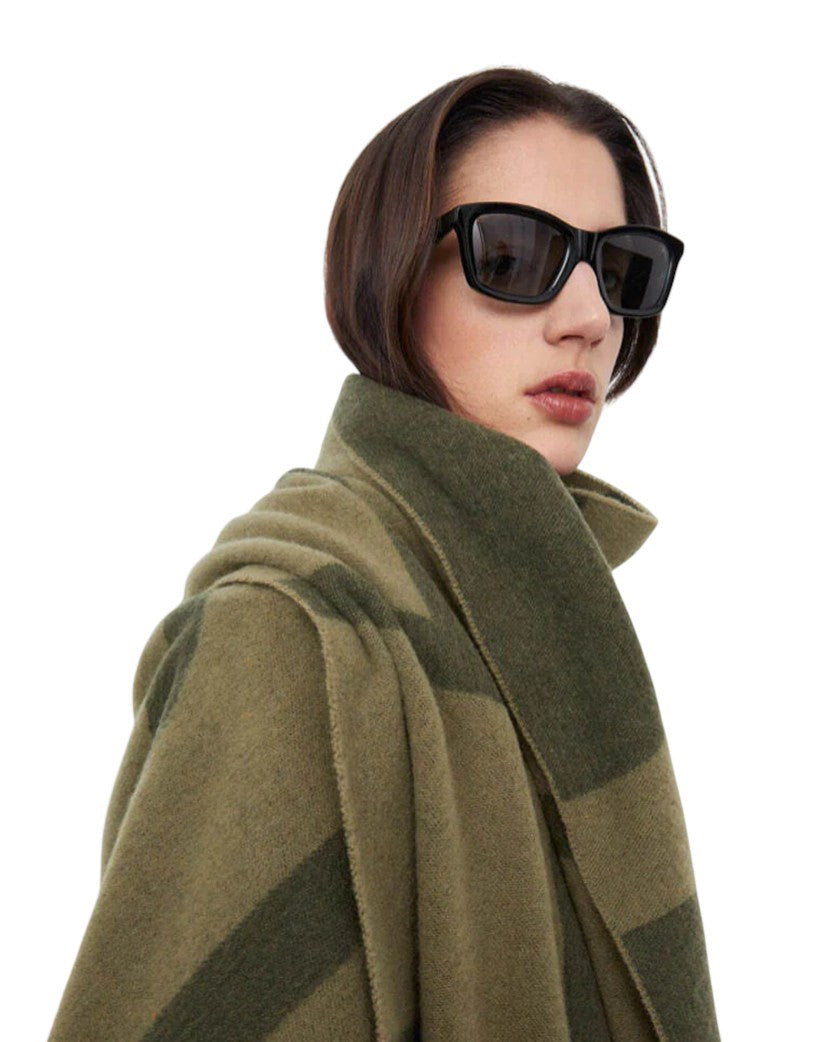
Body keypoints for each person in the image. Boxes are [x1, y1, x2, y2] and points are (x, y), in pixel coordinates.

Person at [47, 66, 721, 1041]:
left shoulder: (538, 631)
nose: (587, 320)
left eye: (618, 270)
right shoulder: (287, 636)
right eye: (514, 253)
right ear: (393, 275)